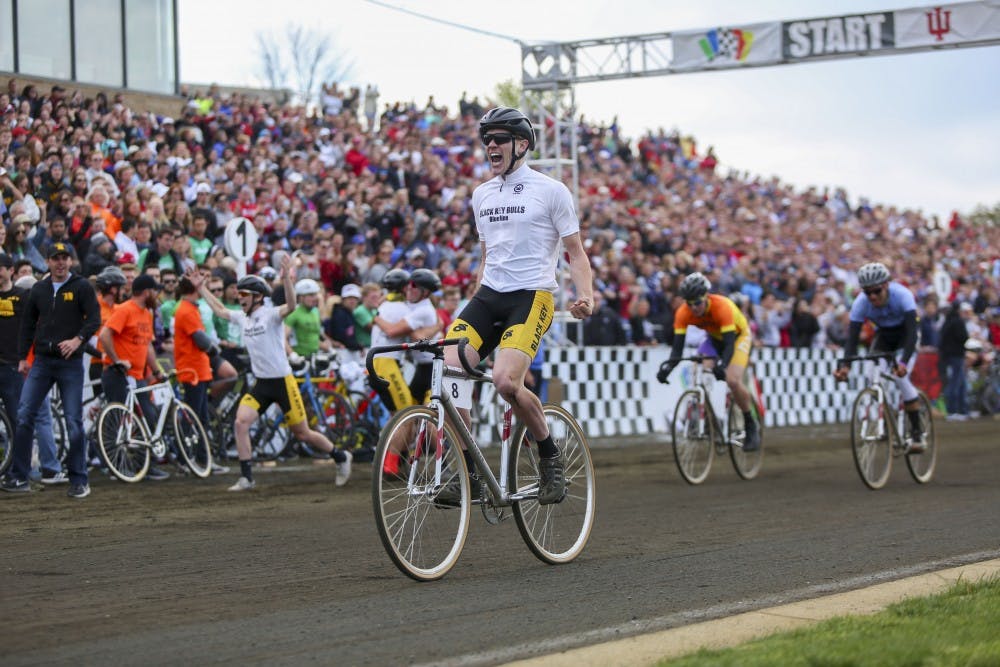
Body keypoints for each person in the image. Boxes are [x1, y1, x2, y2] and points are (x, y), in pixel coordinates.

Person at [442, 107, 593, 505]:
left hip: (532, 296)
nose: (491, 145)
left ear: (521, 144)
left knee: (506, 381)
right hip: (489, 295)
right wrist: (474, 299)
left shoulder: (552, 190)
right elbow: (487, 254)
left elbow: (575, 253)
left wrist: (586, 295)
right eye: (486, 139)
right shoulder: (481, 194)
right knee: (450, 364)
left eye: (500, 139)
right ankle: (467, 470)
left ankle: (549, 455)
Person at [187, 256, 352, 491]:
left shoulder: (271, 314)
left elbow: (292, 306)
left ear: (258, 297)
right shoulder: (243, 318)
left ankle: (340, 456)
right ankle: (247, 477)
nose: (239, 298)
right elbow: (220, 309)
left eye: (244, 295)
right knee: (241, 422)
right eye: (239, 294)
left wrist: (286, 280)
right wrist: (201, 287)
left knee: (303, 434)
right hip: (263, 384)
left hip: (283, 383)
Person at [1, 242, 100, 498]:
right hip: (43, 361)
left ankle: (79, 479)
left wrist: (78, 339)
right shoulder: (39, 289)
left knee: (73, 421)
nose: (60, 262)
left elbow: (95, 320)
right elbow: (27, 325)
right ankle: (20, 476)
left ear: (70, 260)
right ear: (47, 262)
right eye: (56, 258)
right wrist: (23, 357)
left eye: (64, 258)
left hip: (70, 362)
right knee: (24, 416)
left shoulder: (81, 287)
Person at [656, 272, 762, 451]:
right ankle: (709, 419)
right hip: (713, 339)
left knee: (732, 380)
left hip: (737, 337)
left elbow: (729, 345)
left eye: (697, 302)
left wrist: (722, 365)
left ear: (706, 297)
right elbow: (677, 349)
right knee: (702, 371)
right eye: (689, 303)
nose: (694, 308)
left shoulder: (722, 306)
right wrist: (668, 367)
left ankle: (750, 424)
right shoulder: (683, 313)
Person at [832, 262, 927, 451]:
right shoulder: (861, 303)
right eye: (868, 292)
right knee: (871, 375)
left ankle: (917, 433)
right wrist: (845, 366)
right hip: (883, 336)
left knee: (901, 379)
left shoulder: (903, 296)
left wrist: (903, 362)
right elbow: (852, 339)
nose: (872, 297)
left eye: (876, 291)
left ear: (886, 285)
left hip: (905, 337)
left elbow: (912, 334)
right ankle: (888, 416)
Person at [99, 273, 170, 481]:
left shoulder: (146, 313)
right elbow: (104, 335)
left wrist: (156, 371)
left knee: (148, 416)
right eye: (155, 291)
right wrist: (116, 360)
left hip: (138, 375)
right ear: (147, 292)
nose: (157, 295)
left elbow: (147, 345)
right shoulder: (125, 309)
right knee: (118, 418)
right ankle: (114, 466)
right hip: (117, 373)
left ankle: (145, 465)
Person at [0, 256, 63, 484]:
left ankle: (21, 473)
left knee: (20, 422)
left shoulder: (23, 298)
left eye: (1, 269)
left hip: (14, 367)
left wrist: (26, 359)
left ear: (10, 271)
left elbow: (34, 329)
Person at [938, 301, 969, 421]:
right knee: (957, 383)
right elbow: (964, 337)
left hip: (947, 357)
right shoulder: (958, 322)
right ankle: (955, 410)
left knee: (956, 383)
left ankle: (957, 410)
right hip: (957, 356)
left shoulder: (947, 322)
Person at [285, 278, 330, 358]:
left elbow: (312, 337)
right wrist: (292, 354)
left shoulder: (315, 311)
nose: (315, 298)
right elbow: (282, 338)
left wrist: (327, 347)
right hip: (299, 359)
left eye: (316, 294)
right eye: (311, 295)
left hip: (315, 356)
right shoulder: (293, 313)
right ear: (301, 297)